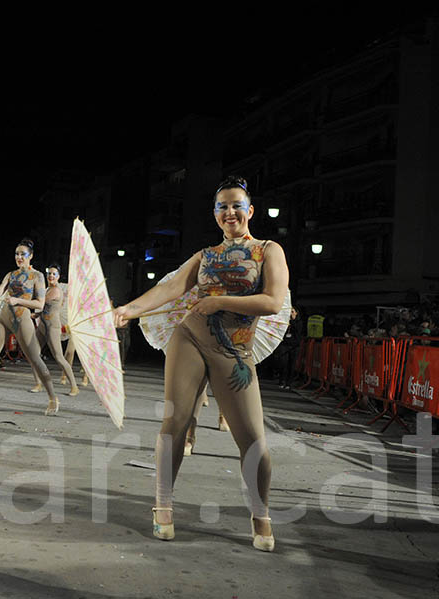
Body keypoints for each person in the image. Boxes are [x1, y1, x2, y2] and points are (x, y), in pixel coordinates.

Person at [113, 176, 288, 551]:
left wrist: (220, 302)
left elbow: (273, 301)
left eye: (236, 205)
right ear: (214, 214)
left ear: (250, 210)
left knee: (254, 440)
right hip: (189, 337)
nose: (229, 212)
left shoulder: (268, 250)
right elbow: (171, 288)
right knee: (174, 420)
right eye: (222, 206)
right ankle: (162, 505)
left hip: (235, 351)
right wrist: (129, 309)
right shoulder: (205, 255)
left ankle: (261, 515)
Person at [0, 238, 60, 415]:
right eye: (17, 254)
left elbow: (39, 304)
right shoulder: (11, 275)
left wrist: (18, 300)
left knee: (35, 360)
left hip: (22, 319)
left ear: (31, 256)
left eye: (23, 254)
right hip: (4, 317)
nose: (19, 257)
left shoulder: (37, 276)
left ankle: (53, 397)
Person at [28, 263, 78, 396]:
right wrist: (37, 314)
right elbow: (43, 307)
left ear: (58, 276)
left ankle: (74, 386)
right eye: (49, 273)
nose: (51, 276)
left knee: (59, 357)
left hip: (52, 326)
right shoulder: (47, 290)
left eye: (53, 274)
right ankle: (38, 383)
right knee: (33, 355)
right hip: (42, 326)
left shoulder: (56, 291)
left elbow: (41, 302)